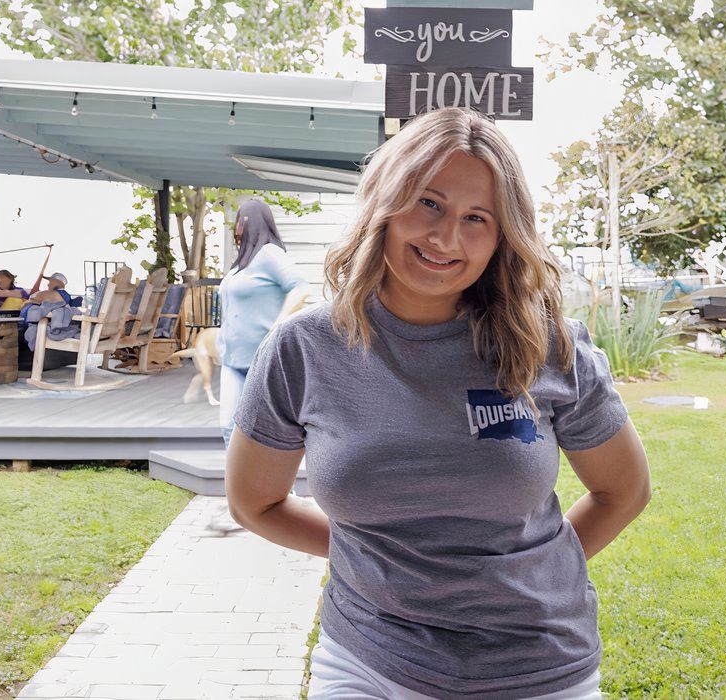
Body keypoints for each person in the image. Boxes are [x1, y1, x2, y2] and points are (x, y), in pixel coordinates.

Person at [225, 108, 652, 699]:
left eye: (476, 217)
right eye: (429, 203)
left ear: (504, 235)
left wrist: (528, 575)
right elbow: (254, 503)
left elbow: (623, 491)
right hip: (369, 658)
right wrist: (378, 562)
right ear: (386, 201)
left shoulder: (548, 344)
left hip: (537, 664)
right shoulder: (304, 347)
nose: (446, 237)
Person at [215, 199, 308, 445]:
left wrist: (278, 325)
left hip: (262, 361)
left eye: (241, 220)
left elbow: (299, 287)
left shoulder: (269, 254)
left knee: (267, 433)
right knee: (228, 427)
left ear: (253, 222)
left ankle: (279, 485)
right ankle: (238, 485)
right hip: (232, 361)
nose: (236, 227)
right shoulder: (241, 265)